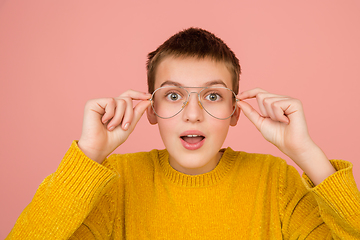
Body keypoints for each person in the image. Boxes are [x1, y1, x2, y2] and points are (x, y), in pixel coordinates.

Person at [7, 28, 360, 239]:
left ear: (235, 111)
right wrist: (88, 156)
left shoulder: (276, 182)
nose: (193, 114)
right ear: (151, 109)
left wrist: (307, 155)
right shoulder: (117, 183)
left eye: (213, 96)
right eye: (173, 95)